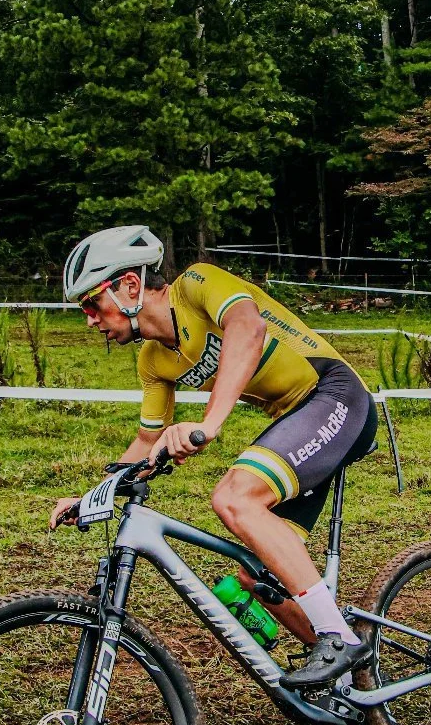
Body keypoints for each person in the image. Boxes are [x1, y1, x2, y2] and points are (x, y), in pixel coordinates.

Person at [50, 227, 377, 689]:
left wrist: (209, 423)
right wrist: (92, 497)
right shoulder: (153, 361)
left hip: (334, 394)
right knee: (257, 576)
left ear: (129, 285)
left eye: (91, 304)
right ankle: (354, 686)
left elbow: (248, 327)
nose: (89, 320)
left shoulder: (196, 284)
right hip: (295, 418)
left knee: (234, 498)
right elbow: (146, 441)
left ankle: (337, 639)